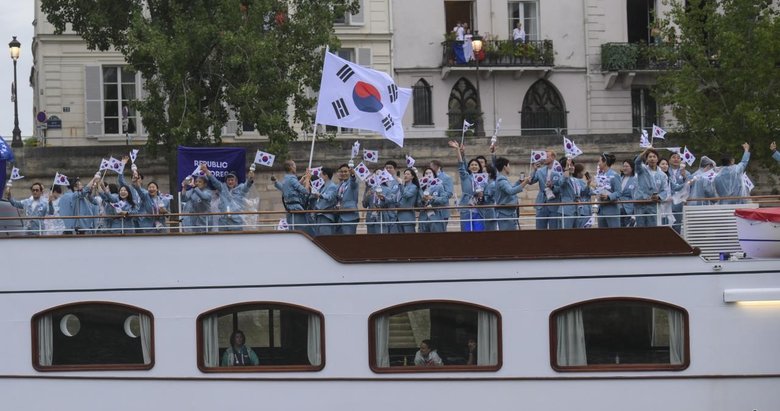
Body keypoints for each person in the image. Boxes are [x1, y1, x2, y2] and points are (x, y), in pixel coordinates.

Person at [205, 166, 255, 231]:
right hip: (223, 223)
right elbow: (214, 181)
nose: (230, 182)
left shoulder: (241, 189)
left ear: (236, 181)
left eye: (232, 180)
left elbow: (247, 185)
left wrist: (250, 179)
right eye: (228, 180)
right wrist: (206, 171)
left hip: (236, 224)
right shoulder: (222, 188)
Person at [449, 141, 484, 231]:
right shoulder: (465, 176)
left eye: (476, 165)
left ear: (479, 167)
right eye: (472, 165)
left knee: (479, 232)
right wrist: (458, 150)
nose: (474, 166)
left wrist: (481, 195)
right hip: (466, 208)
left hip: (479, 209)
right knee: (466, 232)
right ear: (469, 168)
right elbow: (461, 165)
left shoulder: (484, 179)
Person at [272, 160, 312, 234]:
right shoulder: (292, 179)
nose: (295, 167)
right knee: (302, 231)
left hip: (289, 209)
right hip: (296, 209)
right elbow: (305, 191)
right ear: (291, 167)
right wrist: (307, 179)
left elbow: (291, 188)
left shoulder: (286, 179)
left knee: (293, 230)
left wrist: (303, 179)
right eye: (294, 166)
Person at [634, 147, 668, 227]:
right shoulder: (642, 170)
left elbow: (665, 191)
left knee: (652, 229)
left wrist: (658, 196)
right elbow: (637, 162)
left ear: (657, 159)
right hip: (641, 204)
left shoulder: (662, 175)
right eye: (650, 157)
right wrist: (646, 151)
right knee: (640, 229)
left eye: (654, 157)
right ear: (646, 159)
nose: (652, 159)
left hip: (653, 205)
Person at [529, 150, 562, 229]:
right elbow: (530, 182)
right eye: (544, 157)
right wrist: (534, 170)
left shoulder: (558, 170)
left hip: (554, 203)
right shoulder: (540, 171)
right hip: (541, 203)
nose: (545, 159)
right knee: (540, 229)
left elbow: (561, 188)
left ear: (553, 157)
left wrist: (552, 187)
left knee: (554, 229)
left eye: (547, 157)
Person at [494, 157, 530, 231]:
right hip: (505, 214)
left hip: (509, 213)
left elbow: (511, 188)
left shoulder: (503, 179)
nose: (510, 167)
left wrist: (519, 182)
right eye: (509, 165)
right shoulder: (501, 180)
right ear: (505, 167)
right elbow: (511, 191)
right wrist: (525, 183)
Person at [592, 153, 621, 228]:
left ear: (604, 162)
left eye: (599, 161)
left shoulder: (614, 175)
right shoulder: (600, 175)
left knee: (614, 235)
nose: (598, 163)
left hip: (611, 209)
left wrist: (609, 196)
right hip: (601, 209)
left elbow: (619, 192)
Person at [418, 167, 448, 233]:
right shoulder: (420, 188)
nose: (428, 175)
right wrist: (423, 200)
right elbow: (417, 204)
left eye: (430, 173)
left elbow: (444, 200)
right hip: (423, 217)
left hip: (436, 216)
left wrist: (432, 198)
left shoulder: (439, 186)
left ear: (433, 175)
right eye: (426, 173)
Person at [312, 167, 338, 236]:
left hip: (326, 216)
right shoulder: (323, 186)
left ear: (326, 176)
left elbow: (329, 197)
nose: (320, 176)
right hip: (319, 215)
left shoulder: (332, 186)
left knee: (325, 238)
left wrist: (319, 195)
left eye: (321, 175)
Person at [335, 163, 360, 235]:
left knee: (348, 241)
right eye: (341, 172)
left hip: (350, 216)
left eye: (345, 171)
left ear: (349, 172)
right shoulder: (340, 184)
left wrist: (353, 175)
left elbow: (353, 181)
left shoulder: (353, 183)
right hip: (339, 216)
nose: (343, 173)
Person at [430, 159, 454, 230]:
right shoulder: (429, 177)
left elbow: (449, 193)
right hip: (430, 210)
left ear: (437, 166)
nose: (430, 168)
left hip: (442, 210)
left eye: (431, 166)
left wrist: (436, 197)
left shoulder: (446, 178)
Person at [667, 152, 688, 233]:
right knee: (665, 225)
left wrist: (684, 177)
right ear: (669, 160)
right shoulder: (665, 170)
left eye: (678, 158)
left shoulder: (685, 172)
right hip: (667, 201)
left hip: (679, 202)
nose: (676, 159)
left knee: (677, 225)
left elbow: (689, 186)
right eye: (673, 157)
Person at [397, 168, 420, 233]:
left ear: (412, 176)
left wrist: (400, 184)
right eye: (404, 174)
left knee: (409, 240)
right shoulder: (402, 186)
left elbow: (406, 195)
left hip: (407, 217)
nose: (405, 175)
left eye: (408, 174)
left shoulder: (414, 187)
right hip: (398, 217)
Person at [618, 160, 637, 227]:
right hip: (619, 208)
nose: (625, 168)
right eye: (624, 166)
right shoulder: (620, 178)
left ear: (632, 168)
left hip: (629, 209)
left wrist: (634, 213)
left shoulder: (635, 179)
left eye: (627, 166)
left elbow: (635, 196)